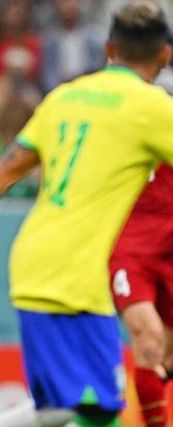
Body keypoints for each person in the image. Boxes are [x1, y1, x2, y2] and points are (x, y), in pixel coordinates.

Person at [0, 2, 173, 426]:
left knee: (84, 409)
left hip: (41, 262)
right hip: (72, 274)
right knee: (89, 407)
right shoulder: (153, 107)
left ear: (109, 48)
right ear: (164, 55)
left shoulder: (64, 97)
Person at [109, 163, 173, 427]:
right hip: (130, 246)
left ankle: (159, 374)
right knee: (148, 337)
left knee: (165, 358)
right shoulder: (124, 124)